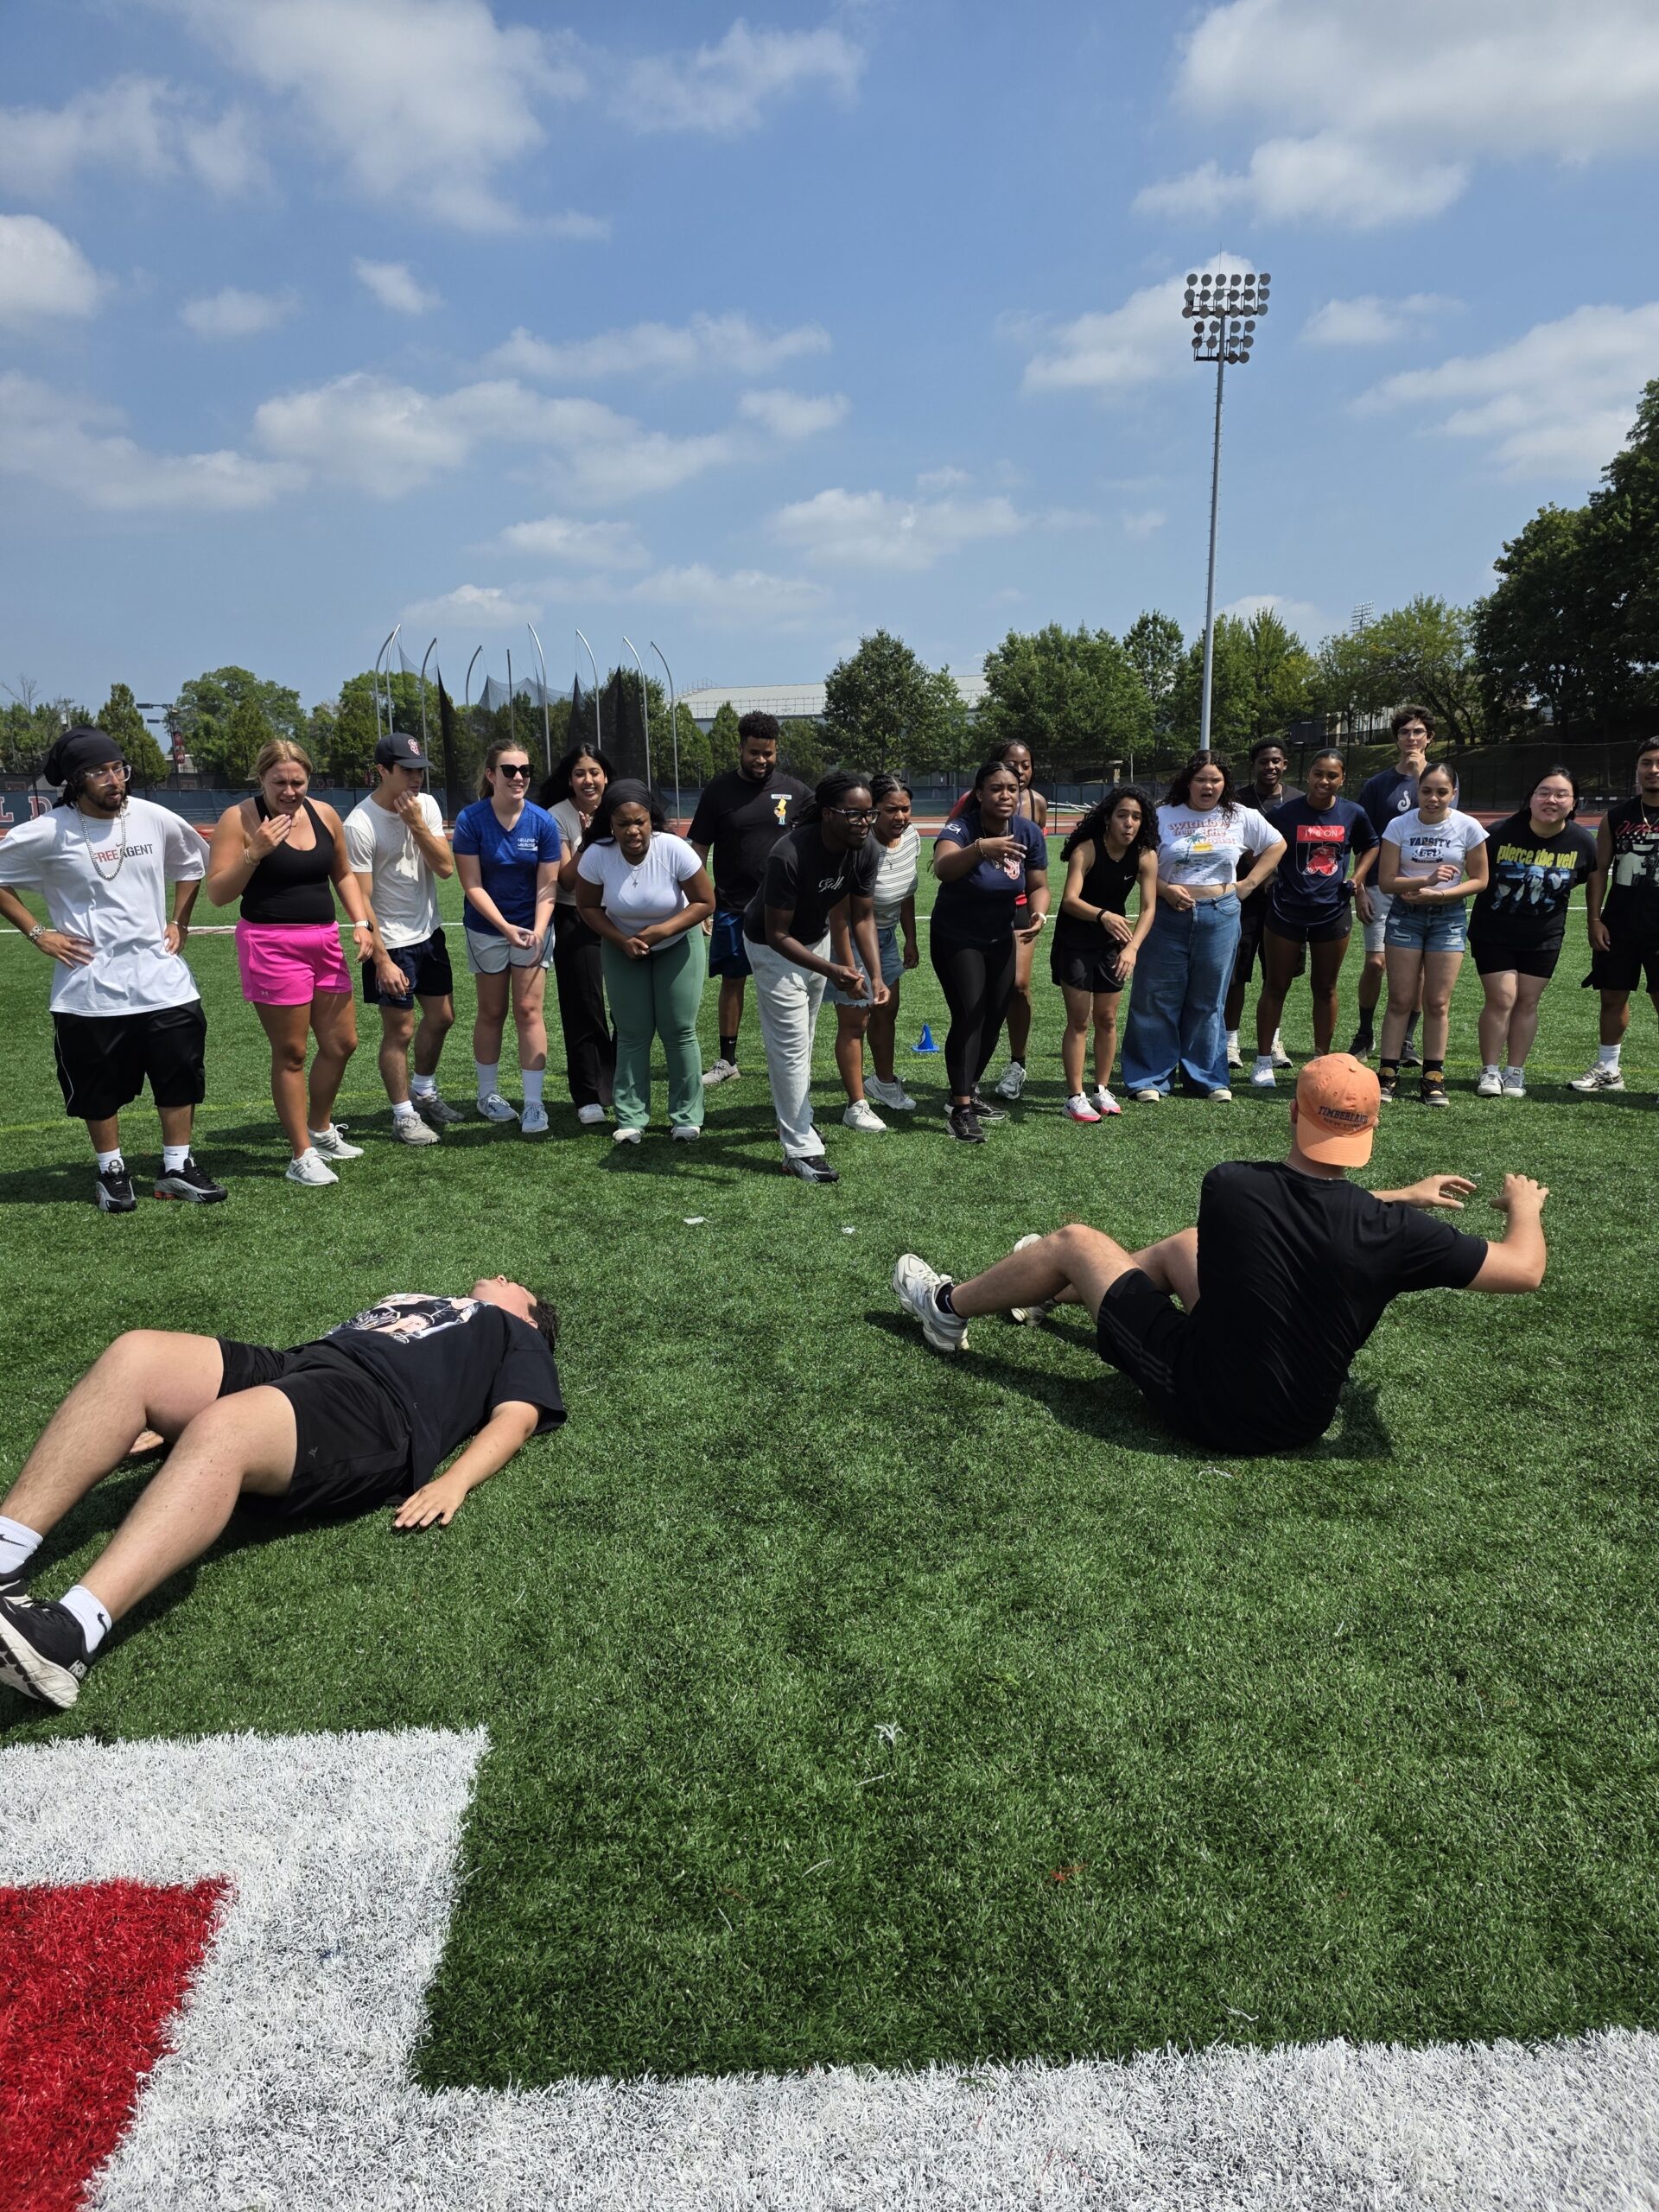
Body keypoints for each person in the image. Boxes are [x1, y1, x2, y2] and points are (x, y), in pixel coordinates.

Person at [891, 1054, 1549, 1458]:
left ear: (1293, 1113)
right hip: (1303, 1418)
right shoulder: (1393, 1229)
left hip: (1209, 1404)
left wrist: (1422, 1198)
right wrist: (1522, 1207)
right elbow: (1524, 1269)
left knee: (1075, 1242)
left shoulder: (1232, 1186)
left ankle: (946, 1307)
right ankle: (1043, 1293)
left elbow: (1304, 1211)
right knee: (1186, 1246)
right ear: (1372, 1127)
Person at [0, 1280, 564, 1710]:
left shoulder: (515, 1335)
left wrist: (454, 1480)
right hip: (298, 1366)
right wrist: (174, 1422)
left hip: (379, 1409)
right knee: (136, 1356)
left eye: (516, 1284)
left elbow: (517, 1416)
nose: (501, 1277)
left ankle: (70, 1634)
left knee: (224, 1430)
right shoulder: (432, 1300)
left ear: (529, 1315)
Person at [0, 725, 226, 1211]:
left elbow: (191, 862)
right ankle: (111, 1171)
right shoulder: (48, 830)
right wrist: (38, 933)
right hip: (88, 987)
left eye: (118, 769)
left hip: (162, 979)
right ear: (75, 780)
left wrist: (180, 921)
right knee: (97, 1086)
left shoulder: (152, 817)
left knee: (179, 1073)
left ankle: (176, 1166)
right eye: (99, 772)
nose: (114, 780)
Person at [206, 739, 374, 1188]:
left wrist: (361, 922)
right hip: (271, 944)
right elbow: (218, 894)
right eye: (279, 782)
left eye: (298, 781)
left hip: (324, 940)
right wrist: (254, 852)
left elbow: (343, 873)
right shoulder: (239, 818)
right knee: (292, 1052)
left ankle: (320, 1129)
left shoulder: (325, 814)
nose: (289, 791)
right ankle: (300, 1154)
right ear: (261, 778)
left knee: (342, 1043)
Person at [741, 770, 887, 1182]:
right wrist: (832, 970)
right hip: (772, 948)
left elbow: (863, 916)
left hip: (815, 941)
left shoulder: (865, 848)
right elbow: (777, 934)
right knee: (790, 1046)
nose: (864, 823)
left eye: (869, 814)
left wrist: (875, 975)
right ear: (827, 814)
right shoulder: (788, 854)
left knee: (803, 1041)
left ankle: (796, 1121)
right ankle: (800, 1149)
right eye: (853, 814)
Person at [1120, 754, 1286, 1105]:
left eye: (1215, 780)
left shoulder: (1240, 815)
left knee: (1209, 1000)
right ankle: (1149, 1077)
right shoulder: (1162, 815)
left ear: (1225, 784)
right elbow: (1136, 862)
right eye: (1200, 780)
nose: (1208, 787)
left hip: (1221, 915)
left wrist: (1248, 884)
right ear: (1187, 782)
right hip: (1166, 917)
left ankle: (1206, 1078)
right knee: (1155, 997)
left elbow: (1277, 844)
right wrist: (1165, 889)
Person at [575, 782, 715, 1145]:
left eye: (640, 822)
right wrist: (622, 940)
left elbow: (705, 902)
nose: (633, 831)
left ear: (652, 820)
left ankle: (687, 1117)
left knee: (679, 1030)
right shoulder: (597, 855)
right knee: (632, 1033)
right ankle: (631, 1118)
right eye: (623, 824)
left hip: (677, 944)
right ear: (610, 825)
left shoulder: (674, 849)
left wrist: (660, 932)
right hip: (621, 947)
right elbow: (587, 906)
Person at [343, 732, 460, 1147]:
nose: (416, 778)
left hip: (429, 932)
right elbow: (360, 899)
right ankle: (403, 1115)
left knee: (442, 1018)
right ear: (382, 770)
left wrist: (415, 824)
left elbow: (445, 868)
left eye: (419, 770)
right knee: (400, 1031)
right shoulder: (359, 824)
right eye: (407, 770)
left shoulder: (425, 806)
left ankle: (423, 1091)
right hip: (391, 942)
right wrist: (382, 959)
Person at [688, 713, 811, 1089]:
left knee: (791, 983)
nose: (761, 760)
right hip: (733, 906)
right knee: (733, 979)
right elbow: (698, 850)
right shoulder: (718, 792)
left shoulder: (797, 792)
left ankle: (795, 1060)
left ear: (777, 751)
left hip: (784, 909)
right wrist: (700, 901)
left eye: (768, 754)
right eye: (754, 752)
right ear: (740, 748)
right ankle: (727, 1060)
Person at [931, 757, 1049, 1142]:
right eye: (996, 788)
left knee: (995, 1014)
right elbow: (943, 867)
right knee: (970, 1013)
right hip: (957, 935)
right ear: (979, 793)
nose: (1005, 795)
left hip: (1001, 936)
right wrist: (981, 848)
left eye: (1013, 789)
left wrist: (1039, 912)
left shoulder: (1028, 832)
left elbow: (1038, 885)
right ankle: (960, 1109)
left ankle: (969, 1089)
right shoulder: (962, 828)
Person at [453, 740, 563, 1136]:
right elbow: (472, 885)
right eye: (509, 770)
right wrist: (505, 928)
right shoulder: (470, 819)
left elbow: (547, 886)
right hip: (487, 929)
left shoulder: (542, 822)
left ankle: (534, 1103)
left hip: (533, 928)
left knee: (530, 1011)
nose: (519, 777)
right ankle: (488, 1095)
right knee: (492, 1011)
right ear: (491, 774)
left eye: (525, 770)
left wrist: (537, 930)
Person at [1249, 750, 1378, 1086]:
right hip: (1286, 911)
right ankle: (1262, 1061)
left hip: (1332, 912)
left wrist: (1358, 878)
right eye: (1318, 774)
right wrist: (1266, 877)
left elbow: (1371, 845)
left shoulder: (1353, 813)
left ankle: (1321, 1061)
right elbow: (1254, 846)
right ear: (1308, 775)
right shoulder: (1284, 813)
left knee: (1325, 987)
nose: (1324, 781)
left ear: (1342, 779)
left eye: (1332, 775)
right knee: (1276, 984)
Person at [1469, 766, 1596, 1097]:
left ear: (1573, 802)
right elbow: (1476, 872)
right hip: (1493, 932)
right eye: (1544, 792)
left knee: (1527, 1002)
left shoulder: (1583, 842)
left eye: (1561, 794)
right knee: (1502, 998)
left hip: (1543, 937)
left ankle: (1515, 1073)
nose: (1551, 800)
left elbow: (1585, 877)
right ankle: (1490, 1070)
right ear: (1531, 798)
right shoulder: (1499, 833)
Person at [1376, 761, 1489, 1105]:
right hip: (1405, 917)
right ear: (1417, 791)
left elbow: (1480, 880)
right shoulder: (1399, 825)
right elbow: (1386, 881)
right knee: (1400, 999)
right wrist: (1425, 881)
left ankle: (1433, 1077)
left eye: (1442, 792)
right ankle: (1387, 1074)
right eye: (1426, 791)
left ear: (1453, 794)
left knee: (1438, 1002)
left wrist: (1439, 895)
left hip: (1448, 918)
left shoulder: (1468, 827)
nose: (1433, 798)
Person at [1048, 786, 1159, 1122]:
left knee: (1107, 1019)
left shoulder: (1145, 855)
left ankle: (1101, 1089)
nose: (1129, 823)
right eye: (1123, 815)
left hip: (1113, 945)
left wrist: (1132, 948)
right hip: (1075, 941)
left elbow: (1149, 908)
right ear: (1108, 818)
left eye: (1136, 817)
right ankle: (1074, 1096)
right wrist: (1103, 916)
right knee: (1079, 1020)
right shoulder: (1087, 849)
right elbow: (1069, 900)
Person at [955, 740, 1049, 1099]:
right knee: (980, 998)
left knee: (1019, 985)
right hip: (978, 909)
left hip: (1019, 906)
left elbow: (1035, 863)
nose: (1021, 772)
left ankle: (1017, 1063)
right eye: (1013, 764)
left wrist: (1038, 907)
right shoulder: (973, 801)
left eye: (1026, 765)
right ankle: (969, 1075)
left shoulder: (1036, 803)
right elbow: (951, 850)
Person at [828, 772, 922, 1128]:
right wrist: (848, 966)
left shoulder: (911, 838)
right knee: (856, 1021)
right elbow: (841, 915)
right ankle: (856, 1105)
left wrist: (910, 937)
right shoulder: (857, 847)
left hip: (885, 936)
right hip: (850, 937)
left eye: (905, 809)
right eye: (891, 810)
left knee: (886, 1010)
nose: (900, 817)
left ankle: (883, 1083)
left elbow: (907, 891)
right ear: (873, 810)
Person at [1572, 737, 1659, 1097]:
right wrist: (1594, 919)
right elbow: (1598, 870)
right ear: (1637, 768)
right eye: (1646, 763)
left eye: (1658, 763)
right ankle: (1609, 1069)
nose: (1653, 770)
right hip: (1621, 922)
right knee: (1612, 996)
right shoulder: (1617, 815)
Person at [539, 741, 617, 1125]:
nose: (588, 780)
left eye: (594, 772)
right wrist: (588, 842)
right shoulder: (558, 816)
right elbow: (566, 880)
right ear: (569, 780)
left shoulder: (621, 807)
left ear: (606, 777)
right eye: (580, 773)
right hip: (576, 917)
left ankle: (621, 1085)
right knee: (584, 1007)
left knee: (630, 1008)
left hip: (623, 916)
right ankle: (588, 1094)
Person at [1351, 708, 1434, 1061]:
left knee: (1418, 969)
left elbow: (1444, 824)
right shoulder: (1376, 785)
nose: (1411, 738)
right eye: (1404, 732)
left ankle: (1406, 1040)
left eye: (1418, 732)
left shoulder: (1441, 780)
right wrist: (1359, 889)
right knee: (1376, 963)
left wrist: (1420, 777)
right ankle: (1364, 1033)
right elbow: (1364, 840)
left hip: (1425, 884)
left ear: (1429, 737)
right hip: (1380, 885)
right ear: (1397, 738)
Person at [1224, 738, 1302, 1071]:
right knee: (1235, 974)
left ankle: (1273, 1041)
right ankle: (1230, 1041)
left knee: (1278, 976)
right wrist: (1257, 875)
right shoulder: (1235, 801)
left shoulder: (1298, 800)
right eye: (1263, 761)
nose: (1270, 767)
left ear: (1285, 764)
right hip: (1243, 900)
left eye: (1276, 761)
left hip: (1286, 902)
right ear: (1253, 765)